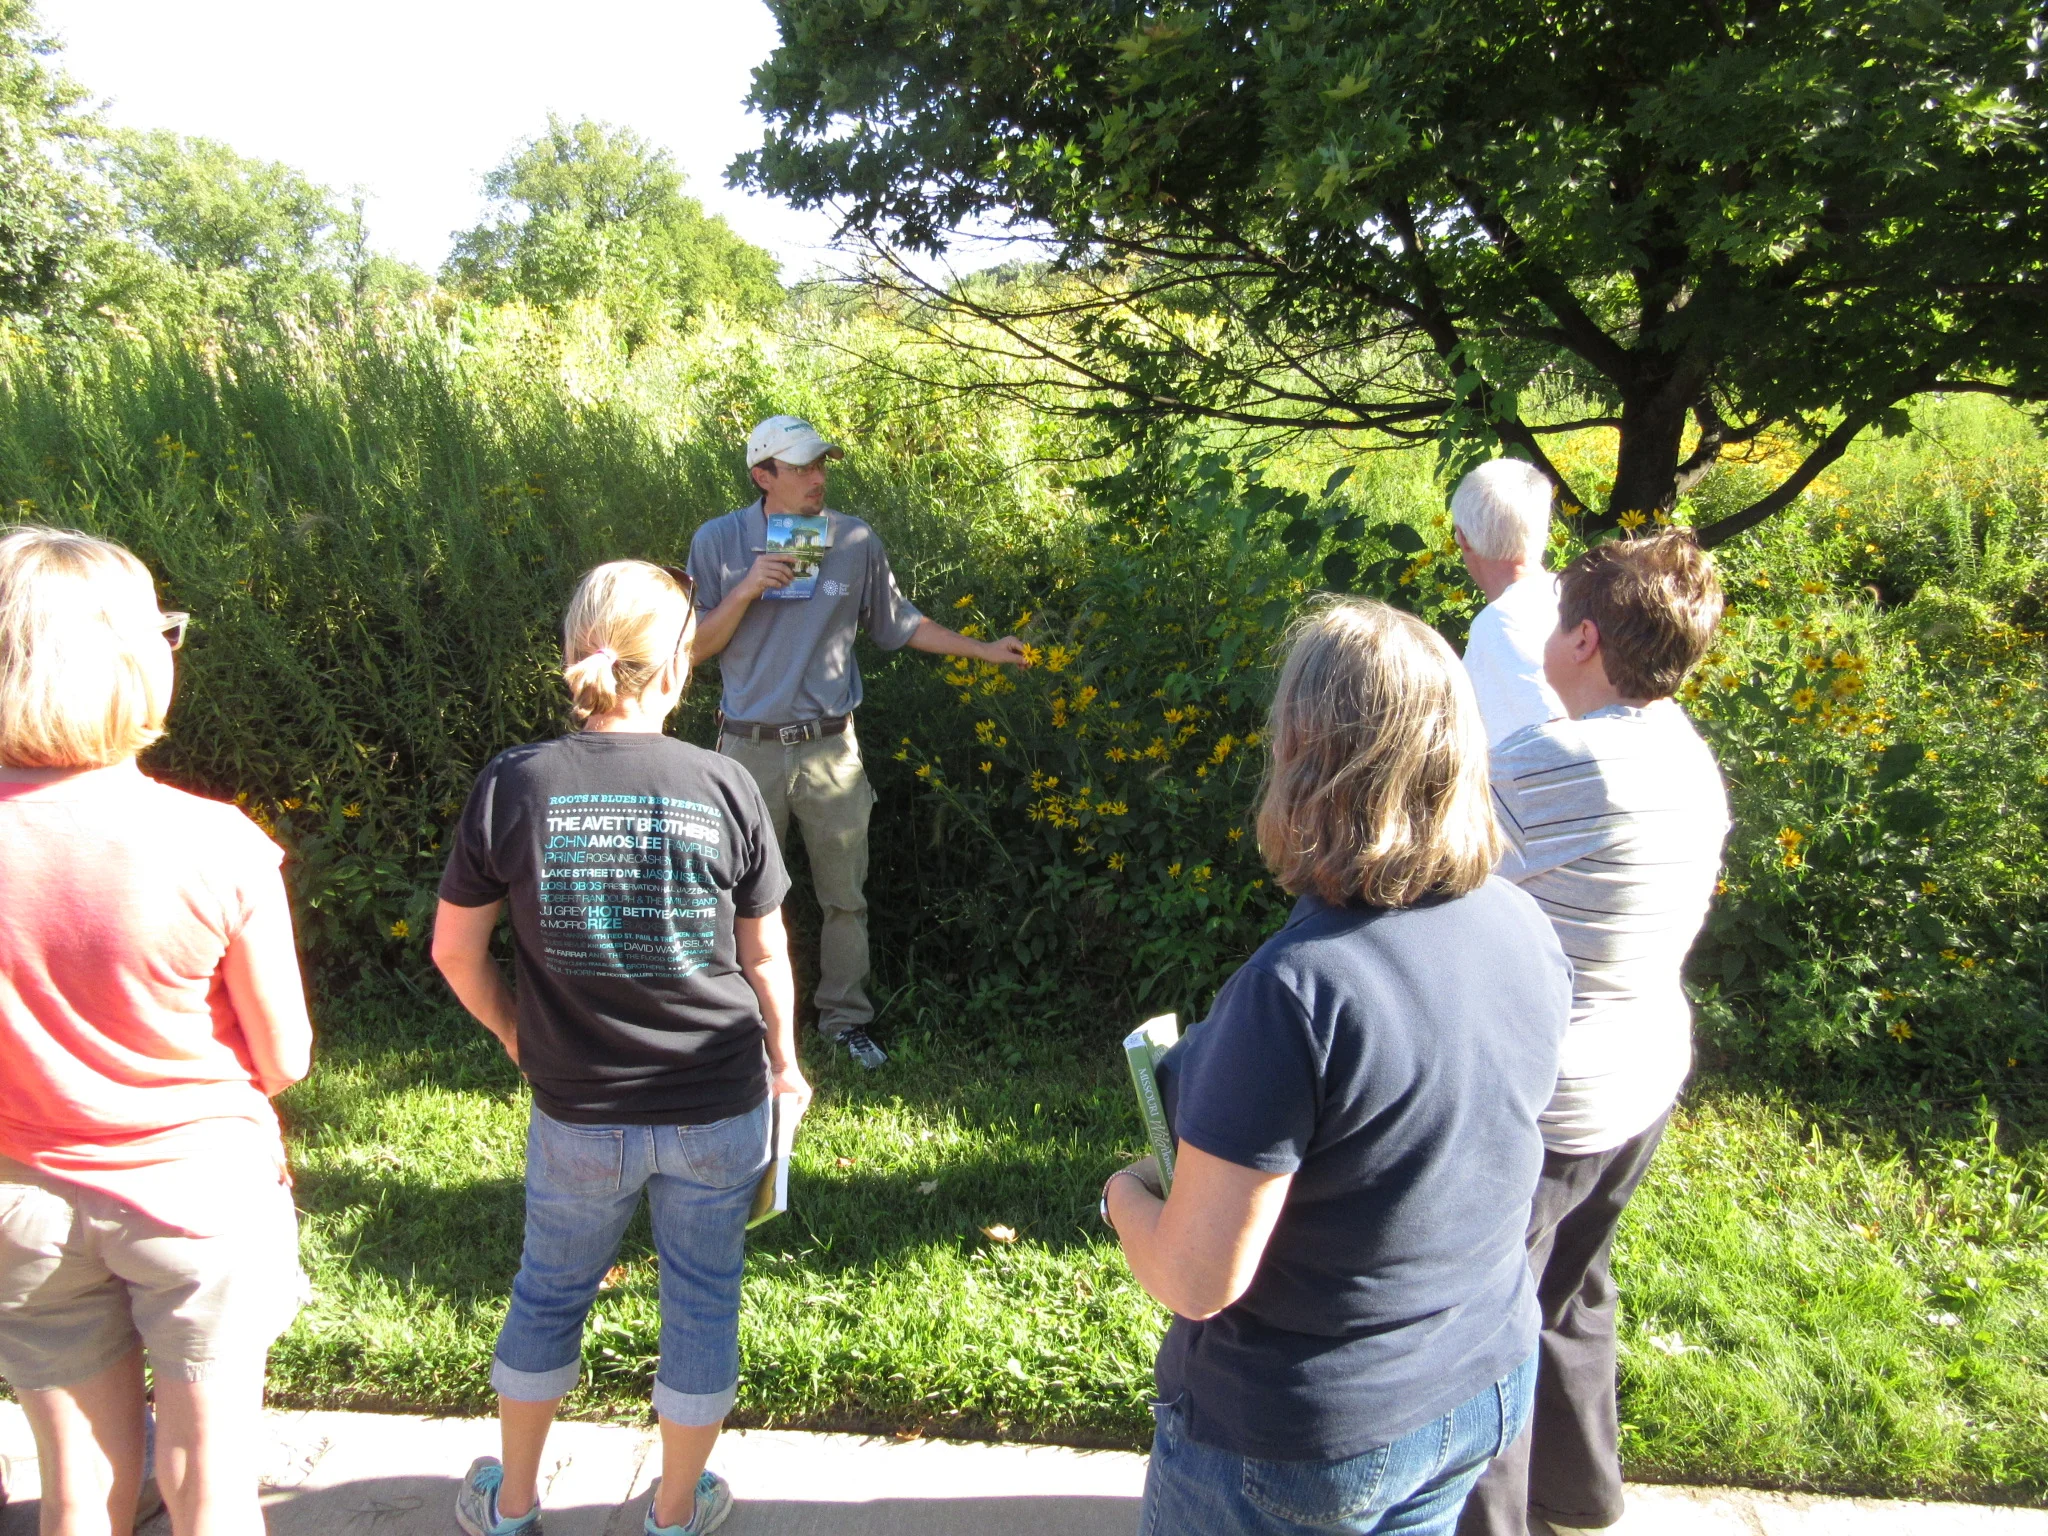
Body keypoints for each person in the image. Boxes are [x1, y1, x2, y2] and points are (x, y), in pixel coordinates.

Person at [1104, 599, 1573, 1536]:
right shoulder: (1523, 923)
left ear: (1304, 759)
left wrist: (1120, 1194)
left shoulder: (1296, 991)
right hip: (1481, 1375)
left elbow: (1198, 1279)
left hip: (1303, 1436)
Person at [433, 560, 807, 1536]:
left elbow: (452, 949)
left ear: (574, 657)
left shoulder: (513, 784)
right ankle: (674, 1513)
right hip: (719, 1100)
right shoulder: (723, 784)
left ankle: (511, 1506)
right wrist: (786, 1066)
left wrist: (518, 1035)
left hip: (577, 1112)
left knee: (548, 1292)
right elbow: (763, 954)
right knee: (702, 1301)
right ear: (679, 671)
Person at [0, 526, 313, 1536]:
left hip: (22, 1201)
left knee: (78, 1491)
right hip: (197, 1200)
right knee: (210, 1490)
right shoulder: (217, 844)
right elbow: (285, 1058)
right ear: (136, 661)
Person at [1457, 532, 1729, 1536]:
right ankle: (1579, 1496)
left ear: (1580, 638)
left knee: (1484, 1321)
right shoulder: (1680, 748)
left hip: (1551, 1104)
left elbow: (1430, 885)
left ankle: (1491, 1521)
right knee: (1571, 1290)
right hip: (1640, 1076)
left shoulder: (1549, 764)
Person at [686, 415, 1029, 1069]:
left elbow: (897, 623)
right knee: (733, 896)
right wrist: (748, 588)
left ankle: (845, 1021)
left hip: (830, 752)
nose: (819, 478)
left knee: (846, 897)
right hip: (746, 750)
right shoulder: (720, 541)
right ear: (763, 476)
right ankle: (736, 1029)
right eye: (804, 467)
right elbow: (692, 650)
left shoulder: (853, 539)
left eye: (824, 466)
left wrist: (983, 651)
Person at [1452, 458, 1566, 747]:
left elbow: (1553, 745)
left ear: (1462, 538)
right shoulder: (1578, 599)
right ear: (1544, 529)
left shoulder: (1500, 624)